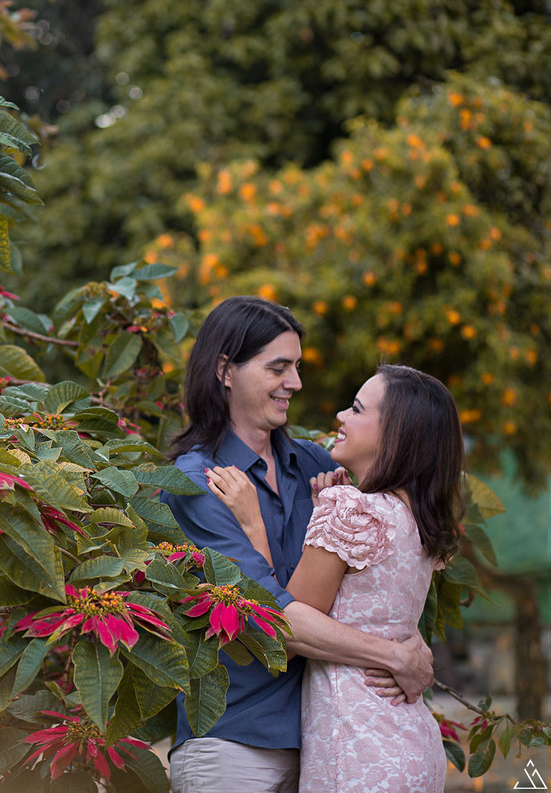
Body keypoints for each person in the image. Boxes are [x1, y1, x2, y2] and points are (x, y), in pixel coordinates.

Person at [160, 296, 434, 793]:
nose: (296, 383)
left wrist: (410, 639)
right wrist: (394, 655)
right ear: (226, 369)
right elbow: (268, 616)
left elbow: (376, 577)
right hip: (236, 745)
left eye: (298, 367)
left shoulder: (316, 466)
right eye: (278, 367)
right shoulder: (197, 482)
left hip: (328, 744)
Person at [205, 365, 462, 792]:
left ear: (396, 434)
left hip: (357, 750)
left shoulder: (350, 510)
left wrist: (254, 527)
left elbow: (281, 623)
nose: (341, 416)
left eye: (357, 409)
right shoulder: (415, 521)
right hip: (411, 744)